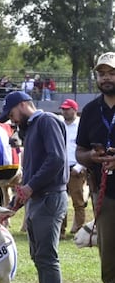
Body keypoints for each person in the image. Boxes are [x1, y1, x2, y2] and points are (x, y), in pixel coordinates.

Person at [0, 90, 67, 283]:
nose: (12, 119)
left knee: (47, 257)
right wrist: (14, 205)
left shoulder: (46, 121)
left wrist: (30, 186)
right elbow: (34, 172)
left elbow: (57, 159)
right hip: (39, 199)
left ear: (23, 105)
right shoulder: (33, 128)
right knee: (39, 256)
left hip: (49, 198)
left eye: (12, 113)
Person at [75, 52, 115, 283]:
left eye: (111, 72)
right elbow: (79, 152)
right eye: (101, 73)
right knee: (110, 268)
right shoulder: (90, 111)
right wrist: (91, 157)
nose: (106, 78)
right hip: (107, 198)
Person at [58, 98, 86, 238]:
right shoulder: (59, 125)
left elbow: (86, 146)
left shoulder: (81, 125)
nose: (64, 111)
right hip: (61, 167)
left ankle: (80, 229)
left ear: (75, 110)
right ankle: (60, 230)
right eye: (63, 109)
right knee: (60, 200)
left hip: (76, 167)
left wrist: (80, 166)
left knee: (78, 201)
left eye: (67, 109)